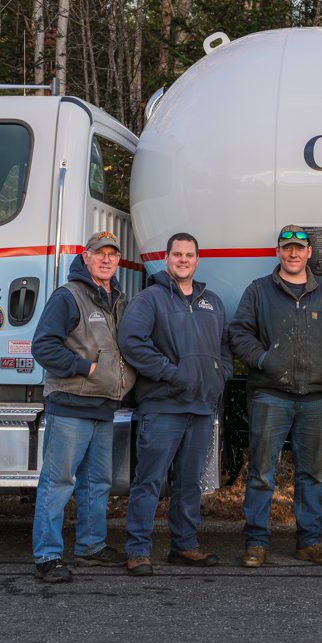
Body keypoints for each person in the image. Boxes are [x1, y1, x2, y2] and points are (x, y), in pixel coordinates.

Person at [227, 224, 322, 567]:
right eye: (287, 248)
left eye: (299, 248)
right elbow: (239, 333)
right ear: (279, 252)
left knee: (312, 473)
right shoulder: (258, 291)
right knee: (261, 473)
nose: (293, 253)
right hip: (271, 395)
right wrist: (264, 360)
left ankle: (309, 542)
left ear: (309, 253)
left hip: (315, 396)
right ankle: (256, 543)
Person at [117, 233, 231, 576]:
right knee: (149, 480)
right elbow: (132, 342)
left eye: (189, 254)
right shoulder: (149, 299)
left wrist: (220, 375)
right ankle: (138, 550)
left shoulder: (212, 301)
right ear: (166, 258)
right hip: (163, 406)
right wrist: (171, 373)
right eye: (177, 254)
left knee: (189, 482)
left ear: (197, 259)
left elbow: (224, 347)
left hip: (200, 406)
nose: (183, 259)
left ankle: (184, 545)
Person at [29, 231, 134, 582]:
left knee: (97, 482)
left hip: (103, 406)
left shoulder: (116, 298)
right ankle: (47, 556)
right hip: (71, 405)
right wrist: (84, 367)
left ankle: (91, 546)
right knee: (58, 482)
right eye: (99, 253)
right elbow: (43, 346)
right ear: (85, 257)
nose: (106, 259)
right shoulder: (68, 296)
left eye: (112, 255)